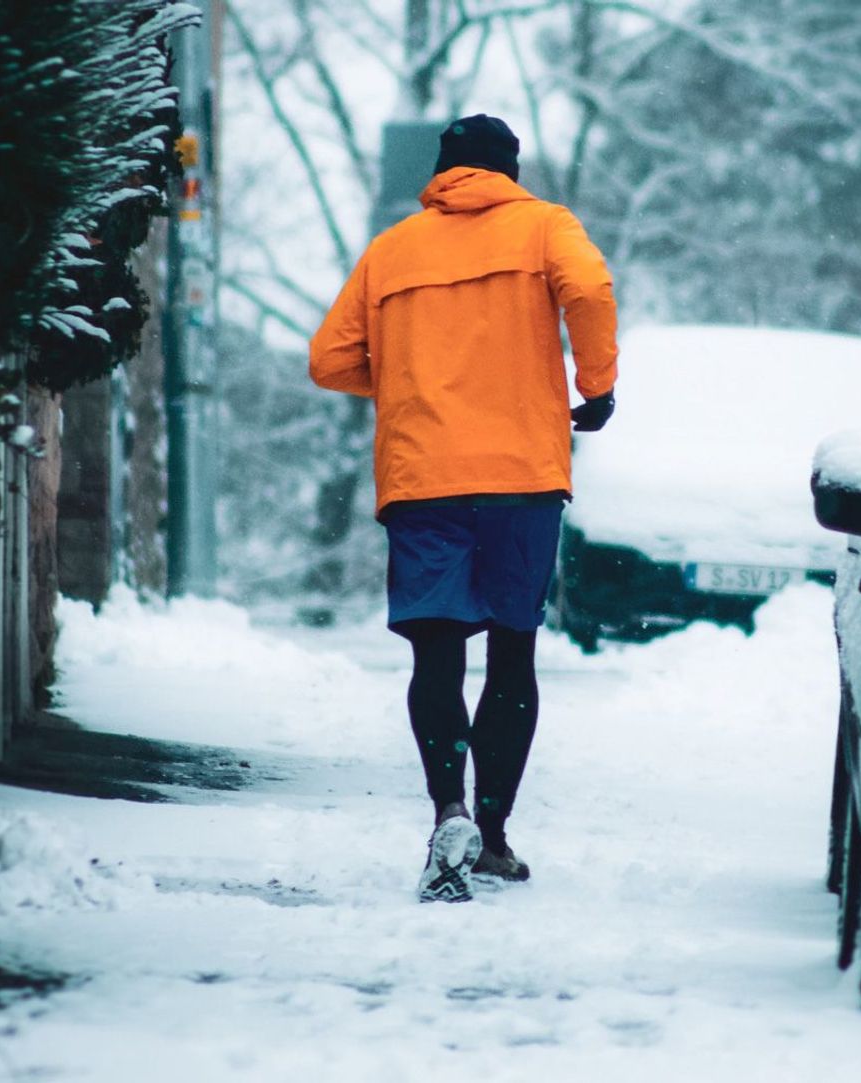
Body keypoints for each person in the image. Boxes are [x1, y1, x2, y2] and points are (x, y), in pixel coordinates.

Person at [309, 114, 619, 903]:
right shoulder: (544, 227)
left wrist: (416, 383)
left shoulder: (393, 249)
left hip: (424, 477)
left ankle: (448, 808)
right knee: (512, 651)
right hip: (520, 473)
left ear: (444, 172)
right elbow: (587, 287)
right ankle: (495, 834)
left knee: (436, 655)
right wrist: (596, 387)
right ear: (509, 170)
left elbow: (330, 358)